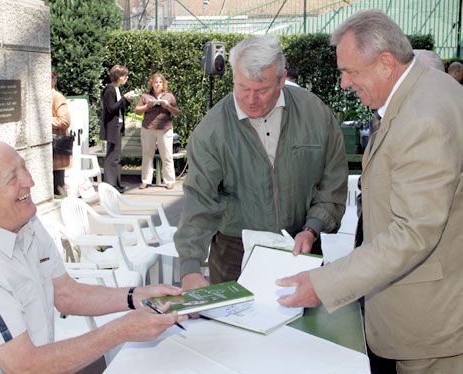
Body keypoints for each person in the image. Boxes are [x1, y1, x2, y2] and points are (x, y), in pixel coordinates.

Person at [277, 10, 463, 374]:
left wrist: (325, 283)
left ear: (385, 63)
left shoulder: (421, 118)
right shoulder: (433, 89)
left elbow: (412, 233)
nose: (344, 83)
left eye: (350, 71)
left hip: (430, 327)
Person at [0, 134, 186, 373]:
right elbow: (24, 366)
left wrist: (137, 296)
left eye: (23, 166)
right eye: (11, 178)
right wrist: (122, 330)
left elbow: (66, 294)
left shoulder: (25, 221)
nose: (30, 182)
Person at [175, 36, 348, 291]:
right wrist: (190, 268)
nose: (251, 99)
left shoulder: (315, 114)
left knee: (301, 328)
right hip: (235, 253)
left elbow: (332, 181)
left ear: (282, 79)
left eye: (262, 90)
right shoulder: (212, 131)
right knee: (235, 330)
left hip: (302, 245)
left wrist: (313, 228)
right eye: (243, 88)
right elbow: (199, 200)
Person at [134, 72, 180, 190]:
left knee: (167, 156)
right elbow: (137, 111)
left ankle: (169, 181)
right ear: (152, 84)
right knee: (147, 155)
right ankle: (145, 180)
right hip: (148, 128)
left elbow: (177, 112)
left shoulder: (169, 96)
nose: (158, 84)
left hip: (165, 130)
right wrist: (147, 106)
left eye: (160, 82)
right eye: (155, 82)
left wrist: (168, 106)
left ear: (163, 84)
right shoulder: (145, 96)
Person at [100, 65, 135, 193]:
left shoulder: (116, 89)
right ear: (118, 76)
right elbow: (111, 109)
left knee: (116, 156)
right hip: (112, 126)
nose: (126, 78)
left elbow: (118, 107)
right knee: (112, 156)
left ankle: (116, 184)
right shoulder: (109, 89)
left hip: (117, 125)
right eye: (125, 75)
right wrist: (124, 99)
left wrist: (126, 100)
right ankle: (110, 185)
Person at [51, 71, 71, 198]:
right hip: (49, 147)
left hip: (56, 145)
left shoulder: (56, 96)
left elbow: (65, 121)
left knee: (58, 190)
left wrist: (42, 120)